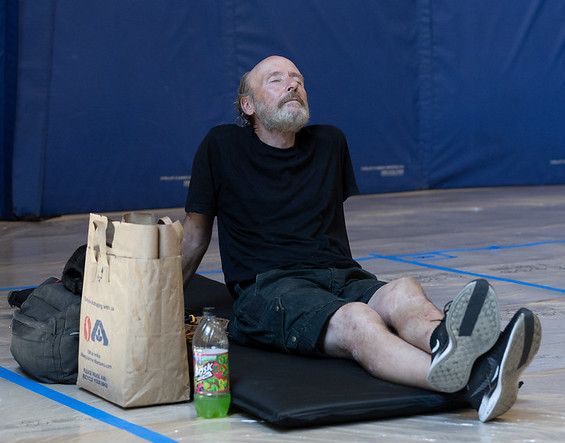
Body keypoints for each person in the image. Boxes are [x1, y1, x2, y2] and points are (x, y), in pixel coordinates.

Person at [181, 55, 541, 422]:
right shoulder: (221, 146)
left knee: (404, 290)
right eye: (276, 80)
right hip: (269, 287)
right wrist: (162, 302)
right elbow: (195, 238)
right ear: (248, 104)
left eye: (298, 79)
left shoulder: (329, 143)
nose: (292, 85)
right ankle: (479, 380)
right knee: (358, 319)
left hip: (340, 274)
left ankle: (452, 347)